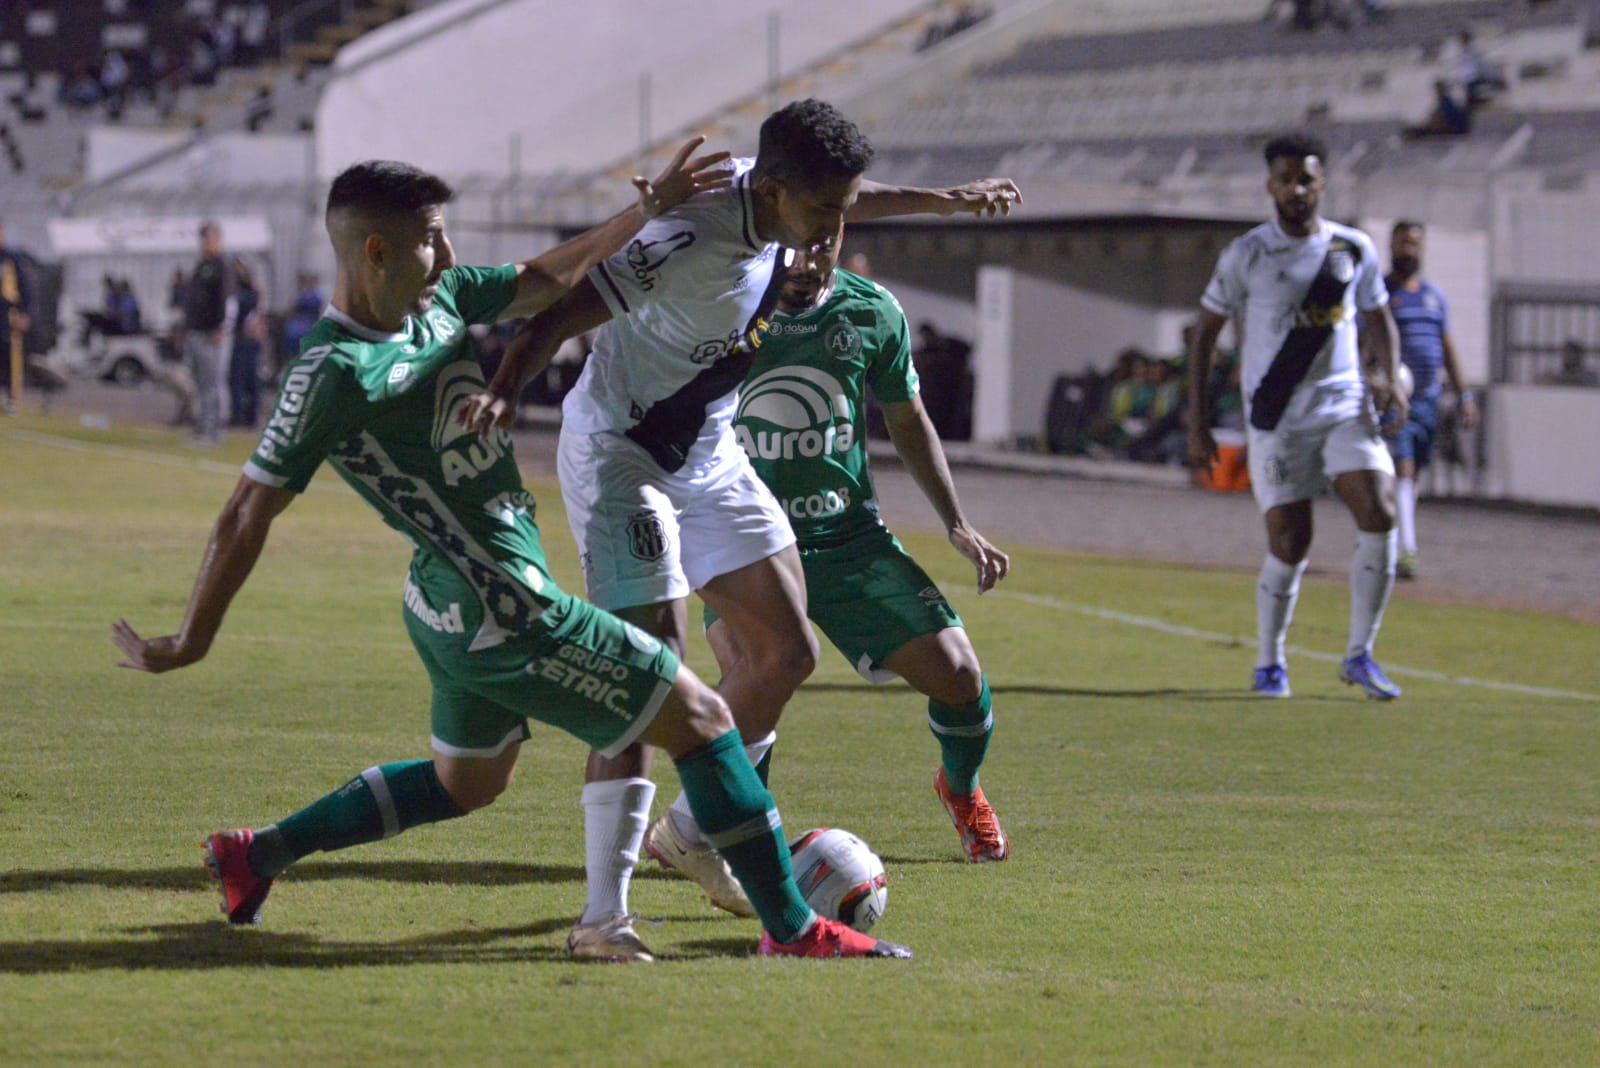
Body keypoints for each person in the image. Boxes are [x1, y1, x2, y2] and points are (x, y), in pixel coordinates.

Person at [110, 144, 911, 962]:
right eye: (431, 239)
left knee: (469, 783)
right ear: (375, 251)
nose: (449, 256)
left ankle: (255, 855)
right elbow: (248, 510)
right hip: (505, 608)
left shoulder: (443, 300)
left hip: (445, 602)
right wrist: (192, 638)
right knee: (702, 720)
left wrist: (649, 208)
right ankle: (784, 929)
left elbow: (551, 277)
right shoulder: (333, 372)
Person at [460, 99, 1020, 961]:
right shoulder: (687, 238)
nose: (837, 225)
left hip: (709, 453)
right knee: (645, 678)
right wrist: (504, 387)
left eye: (843, 207)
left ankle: (690, 832)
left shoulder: (789, 208)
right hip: (623, 451)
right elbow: (557, 315)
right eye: (826, 210)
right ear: (778, 190)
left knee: (786, 651)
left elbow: (851, 199)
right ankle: (602, 919)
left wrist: (946, 200)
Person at [704, 223, 1010, 866]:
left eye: (823, 242)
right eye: (793, 243)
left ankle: (961, 790)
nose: (807, 259)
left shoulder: (872, 310)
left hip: (846, 539)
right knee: (754, 675)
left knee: (960, 676)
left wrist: (956, 520)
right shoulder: (724, 302)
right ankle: (735, 838)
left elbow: (907, 418)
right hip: (746, 538)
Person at [1187, 132, 1406, 702]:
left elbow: (1378, 317)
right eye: (1285, 179)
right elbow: (1204, 338)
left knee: (1381, 511)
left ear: (1321, 184)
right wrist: (1198, 419)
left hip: (1344, 408)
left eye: (1306, 179)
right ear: (1270, 186)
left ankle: (1360, 653)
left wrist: (1386, 371)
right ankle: (1269, 663)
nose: (1296, 189)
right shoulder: (1246, 255)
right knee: (1290, 541)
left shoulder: (1350, 249)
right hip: (1278, 417)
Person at [1385, 221, 1479, 580]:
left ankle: (1392, 538)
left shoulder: (1434, 297)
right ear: (1392, 246)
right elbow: (1364, 344)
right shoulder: (1380, 292)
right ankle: (1406, 549)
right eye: (1403, 243)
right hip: (1396, 400)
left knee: (1414, 473)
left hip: (1428, 400)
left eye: (1415, 243)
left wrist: (1464, 395)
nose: (1409, 249)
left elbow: (1447, 348)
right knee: (1402, 467)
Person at [181, 221, 235, 446]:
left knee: (213, 382)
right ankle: (203, 426)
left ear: (218, 240)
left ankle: (214, 430)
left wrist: (221, 328)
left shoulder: (222, 265)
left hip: (212, 334)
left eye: (210, 238)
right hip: (197, 331)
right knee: (201, 382)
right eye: (203, 238)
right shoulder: (202, 264)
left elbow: (227, 300)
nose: (206, 243)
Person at [0, 217, 34, 409]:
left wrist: (24, 315)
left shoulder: (11, 259)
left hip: (7, 318)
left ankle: (12, 399)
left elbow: (25, 290)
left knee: (9, 359)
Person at [228, 257, 264, 428]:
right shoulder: (240, 292)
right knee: (239, 379)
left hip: (246, 340)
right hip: (240, 339)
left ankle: (248, 416)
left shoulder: (249, 293)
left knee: (247, 379)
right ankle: (240, 414)